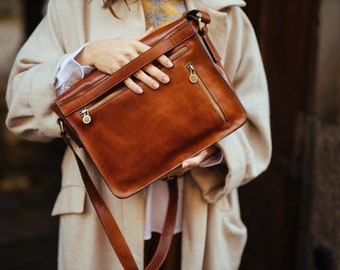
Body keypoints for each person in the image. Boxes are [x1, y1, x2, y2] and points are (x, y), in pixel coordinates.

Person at [5, 0, 272, 269]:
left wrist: (211, 151)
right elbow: (19, 106)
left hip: (199, 219)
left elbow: (254, 124)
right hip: (101, 220)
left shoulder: (224, 11)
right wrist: (84, 57)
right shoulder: (74, 6)